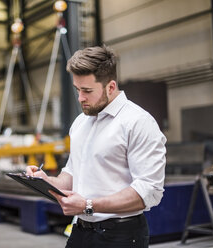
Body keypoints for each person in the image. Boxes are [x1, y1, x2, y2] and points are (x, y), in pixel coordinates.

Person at [26, 45, 166, 248]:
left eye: (87, 91)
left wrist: (88, 205)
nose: (80, 98)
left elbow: (149, 191)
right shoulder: (81, 122)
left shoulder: (138, 122)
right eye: (77, 90)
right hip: (82, 230)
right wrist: (47, 181)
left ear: (110, 87)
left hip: (122, 235)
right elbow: (72, 174)